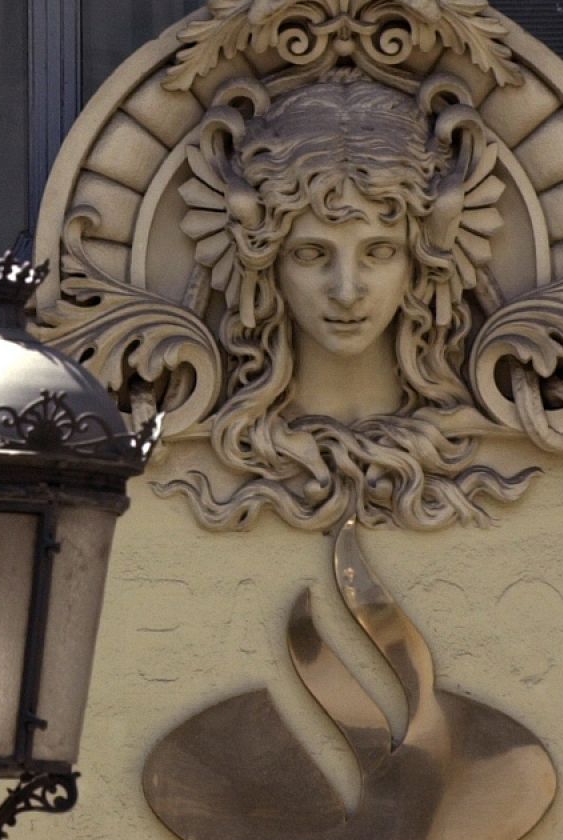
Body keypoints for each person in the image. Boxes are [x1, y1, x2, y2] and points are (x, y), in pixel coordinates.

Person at [162, 70, 533, 531]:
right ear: (265, 262)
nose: (346, 289)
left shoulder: (488, 428)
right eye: (311, 253)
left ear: (423, 258)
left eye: (379, 252)